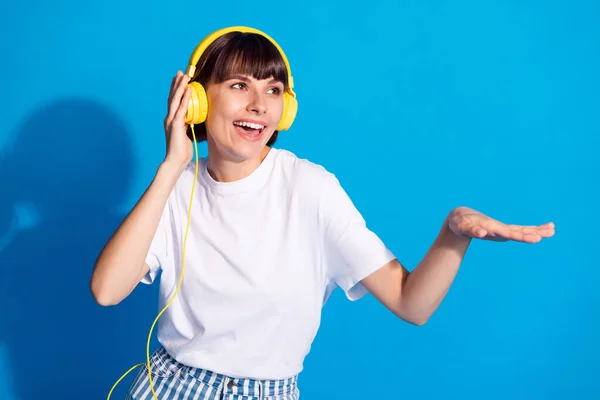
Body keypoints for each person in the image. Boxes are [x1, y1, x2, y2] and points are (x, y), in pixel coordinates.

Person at [90, 26, 555, 400]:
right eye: (238, 85)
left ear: (286, 109)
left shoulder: (310, 188)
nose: (258, 104)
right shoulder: (177, 188)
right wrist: (172, 166)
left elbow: (411, 304)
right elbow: (107, 291)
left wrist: (455, 233)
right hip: (172, 388)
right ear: (196, 99)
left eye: (273, 90)